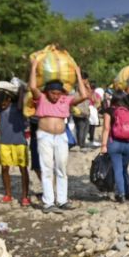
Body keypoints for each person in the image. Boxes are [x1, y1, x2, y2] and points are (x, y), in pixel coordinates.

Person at [28, 58, 90, 213]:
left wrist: (77, 73)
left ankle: (62, 200)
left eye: (58, 93)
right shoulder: (41, 98)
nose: (55, 96)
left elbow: (84, 95)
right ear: (47, 92)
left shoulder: (65, 99)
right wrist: (34, 67)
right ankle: (48, 202)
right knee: (46, 168)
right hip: (44, 136)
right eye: (52, 93)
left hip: (61, 136)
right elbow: (32, 86)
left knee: (61, 168)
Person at [0, 89, 30, 205]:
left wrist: (19, 90)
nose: (3, 105)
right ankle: (8, 194)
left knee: (23, 169)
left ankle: (25, 196)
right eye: (0, 103)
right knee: (4, 169)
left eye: (4, 102)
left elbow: (23, 95)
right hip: (5, 142)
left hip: (20, 142)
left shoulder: (18, 106)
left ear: (9, 99)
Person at [100, 91, 129, 203]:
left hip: (114, 143)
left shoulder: (109, 111)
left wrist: (103, 145)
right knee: (124, 170)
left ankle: (120, 194)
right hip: (128, 144)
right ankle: (127, 193)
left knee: (117, 169)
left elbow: (106, 128)